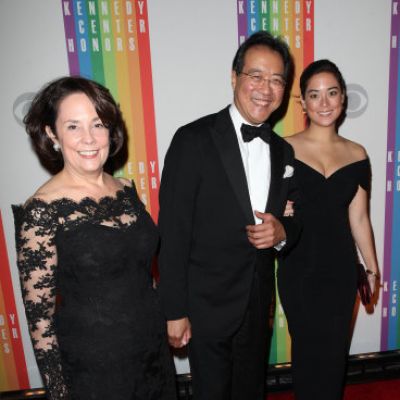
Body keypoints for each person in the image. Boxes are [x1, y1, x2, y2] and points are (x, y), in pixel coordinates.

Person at [12, 76, 176, 400]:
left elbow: (140, 274)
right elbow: (40, 322)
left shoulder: (126, 189)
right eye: (73, 126)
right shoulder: (42, 211)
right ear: (52, 133)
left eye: (98, 124)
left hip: (153, 355)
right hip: (94, 371)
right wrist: (59, 393)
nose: (88, 138)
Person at [158, 31, 301, 400]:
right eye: (256, 76)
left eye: (276, 80)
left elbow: (295, 219)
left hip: (257, 302)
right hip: (205, 306)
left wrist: (282, 232)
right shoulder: (193, 139)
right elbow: (172, 232)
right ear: (234, 77)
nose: (265, 89)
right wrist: (174, 310)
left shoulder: (283, 152)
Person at [278, 59, 380, 400]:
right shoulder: (283, 149)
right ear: (303, 103)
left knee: (335, 356)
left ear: (343, 98)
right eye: (314, 94)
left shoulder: (357, 154)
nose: (324, 102)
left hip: (341, 271)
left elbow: (359, 218)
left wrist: (372, 268)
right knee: (308, 355)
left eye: (332, 93)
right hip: (299, 268)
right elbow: (264, 208)